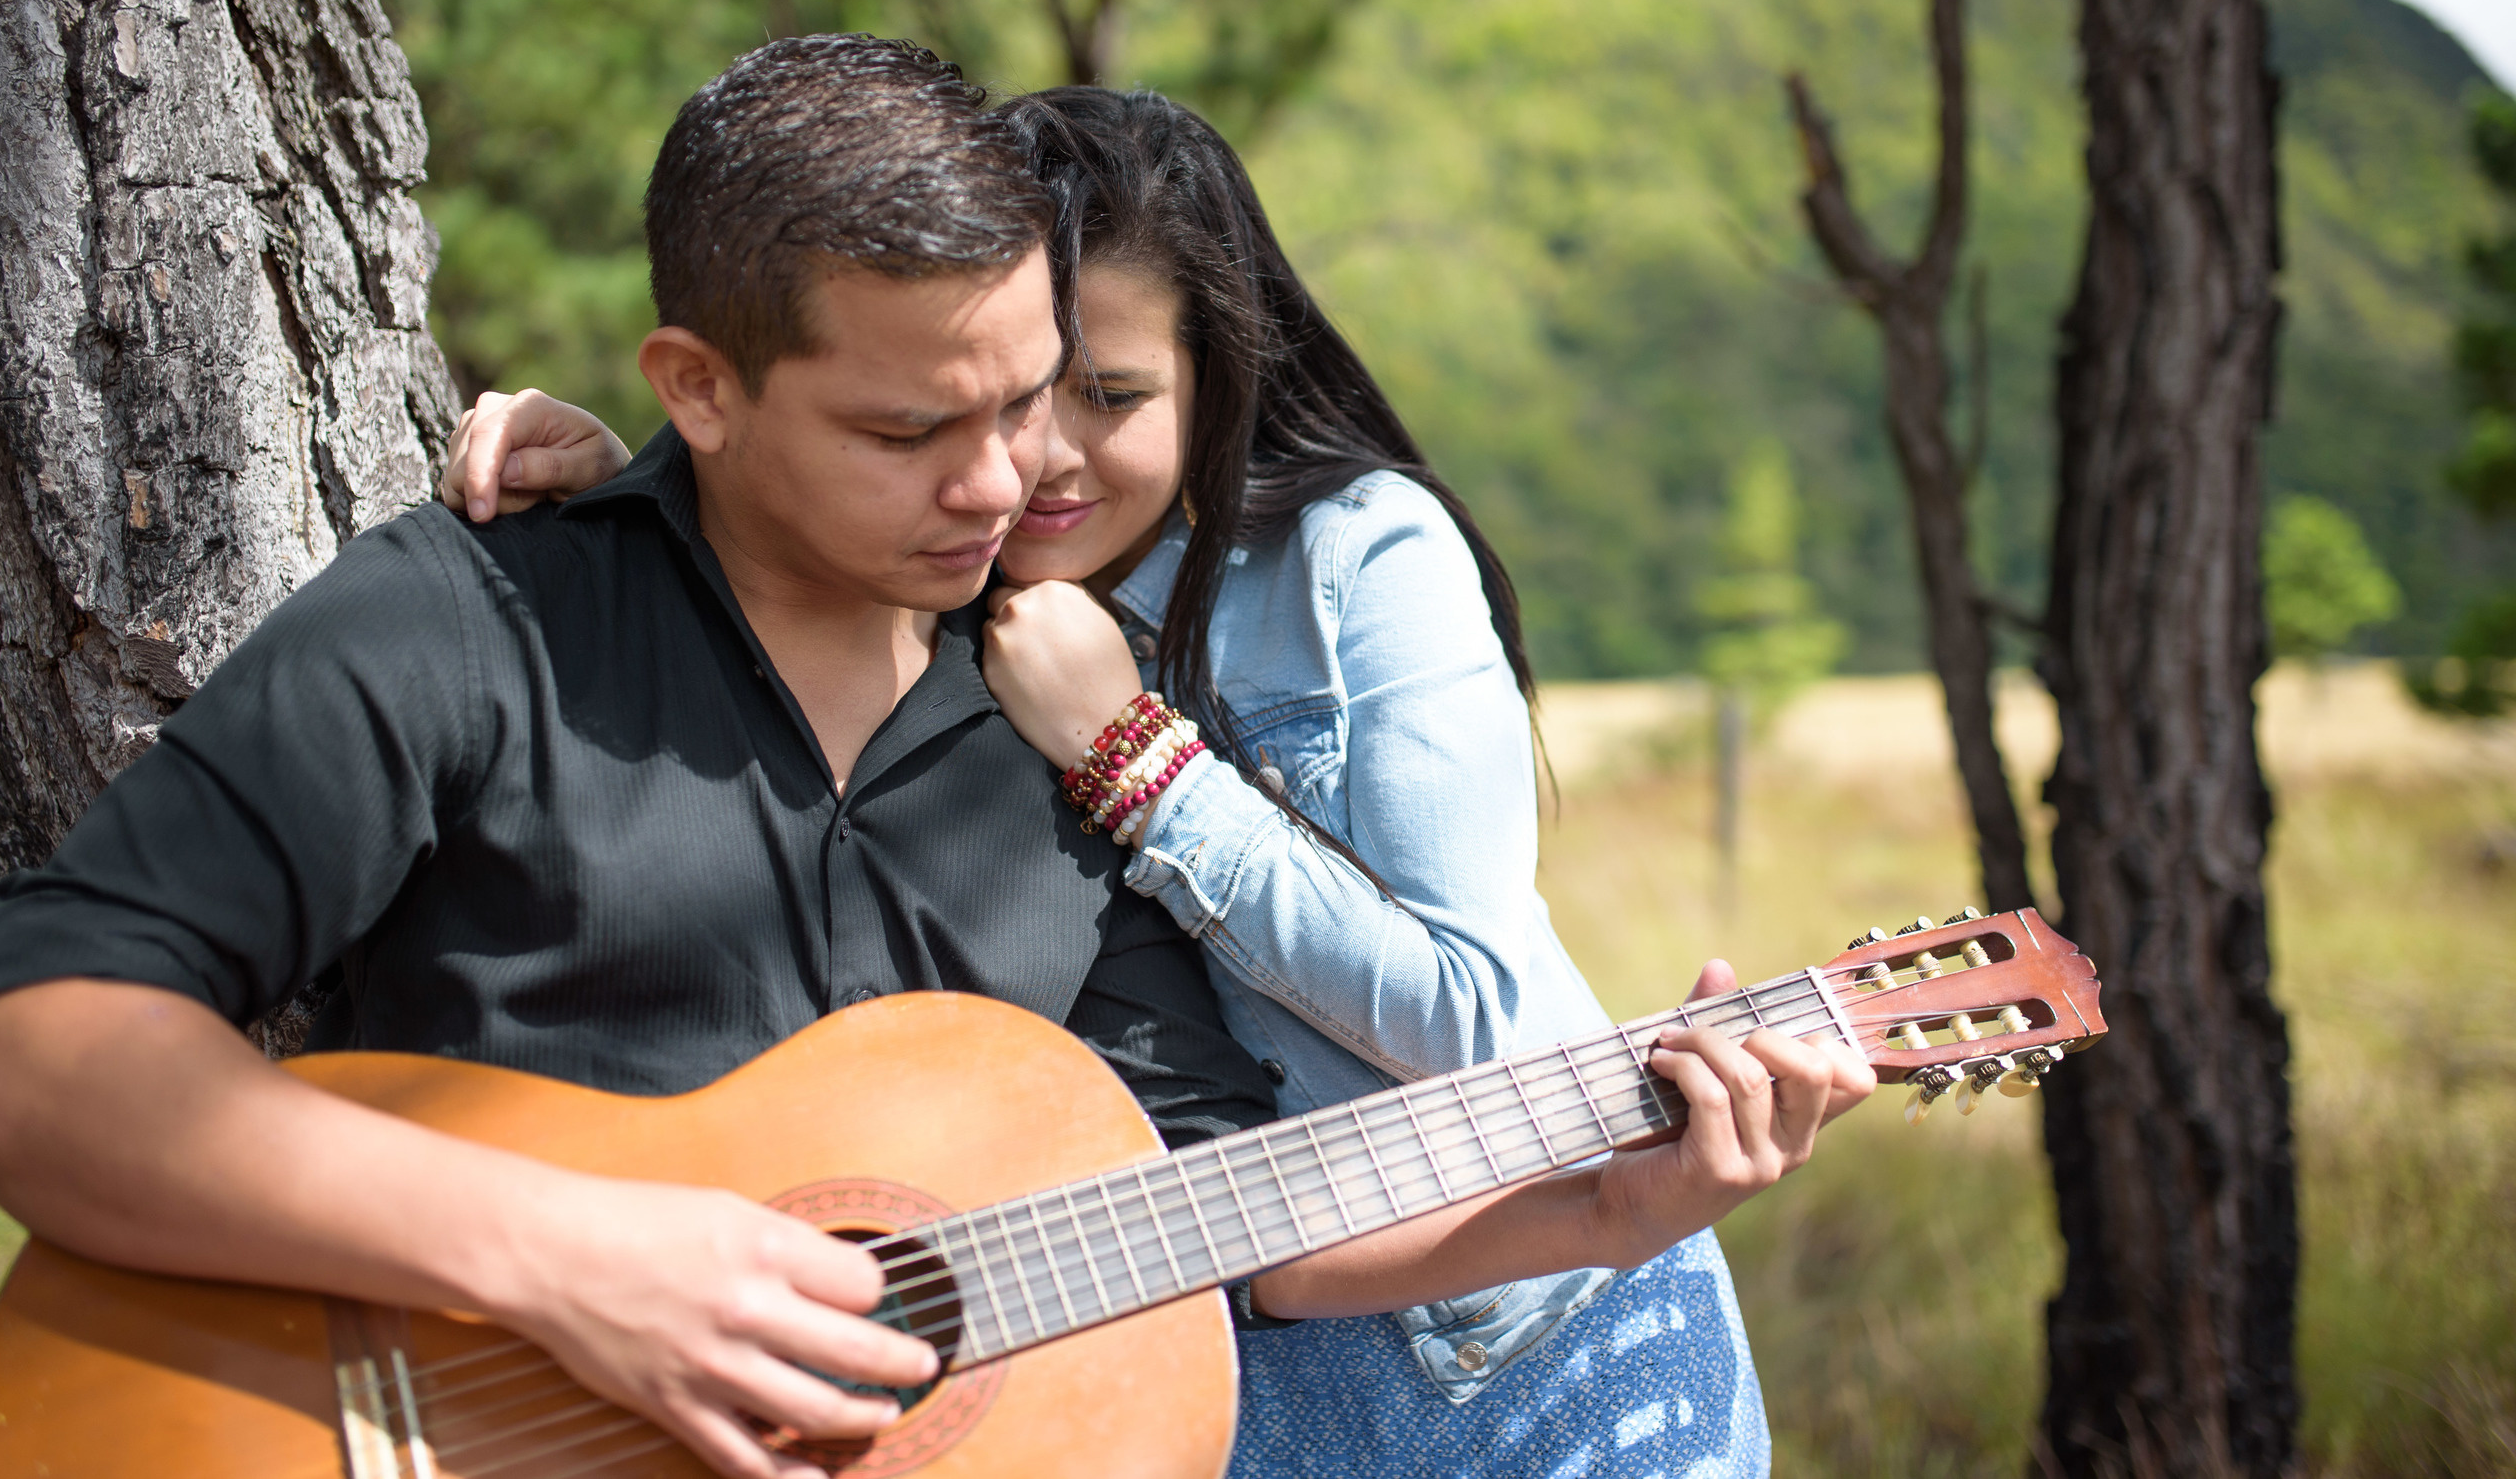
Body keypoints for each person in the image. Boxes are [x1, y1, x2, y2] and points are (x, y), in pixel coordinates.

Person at [442, 85, 1874, 1477]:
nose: (1037, 458)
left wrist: (1140, 761)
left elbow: (1480, 1029)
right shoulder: (938, 558)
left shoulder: (1354, 562)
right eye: (1004, 394)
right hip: (1214, 1327)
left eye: (1112, 394)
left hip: (1530, 1318)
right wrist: (634, 484)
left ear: (1215, 377)